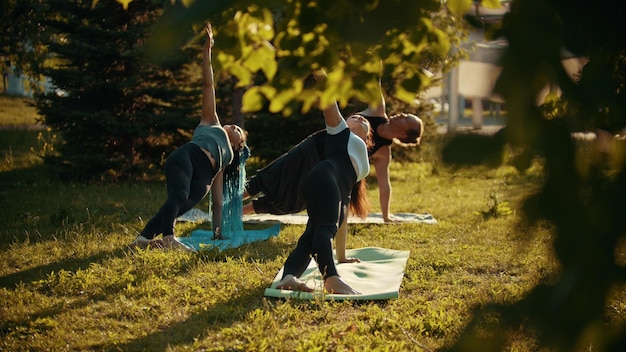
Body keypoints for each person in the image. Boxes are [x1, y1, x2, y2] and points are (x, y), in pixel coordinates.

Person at [130, 23, 247, 251]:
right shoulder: (211, 121)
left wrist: (217, 232)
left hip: (204, 178)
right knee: (179, 194)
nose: (232, 125)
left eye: (237, 130)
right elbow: (208, 85)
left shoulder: (227, 159)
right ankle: (169, 237)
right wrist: (207, 51)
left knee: (179, 204)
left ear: (237, 144)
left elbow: (218, 199)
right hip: (188, 157)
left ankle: (142, 239)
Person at [244, 77, 423, 222]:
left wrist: (386, 216)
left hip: (328, 170)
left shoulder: (383, 152)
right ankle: (226, 201)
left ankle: (240, 211)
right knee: (273, 176)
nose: (402, 114)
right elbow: (374, 79)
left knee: (293, 202)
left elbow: (385, 185)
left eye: (407, 118)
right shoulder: (377, 111)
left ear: (404, 133)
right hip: (317, 147)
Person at [274, 70, 372, 294]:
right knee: (325, 228)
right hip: (324, 178)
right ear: (344, 123)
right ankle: (331, 279)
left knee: (310, 238)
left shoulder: (360, 156)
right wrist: (322, 76)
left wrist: (343, 254)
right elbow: (330, 103)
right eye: (355, 116)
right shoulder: (340, 133)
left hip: (327, 184)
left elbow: (344, 205)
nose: (360, 117)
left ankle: (289, 276)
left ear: (368, 139)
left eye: (364, 119)